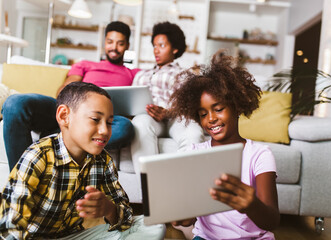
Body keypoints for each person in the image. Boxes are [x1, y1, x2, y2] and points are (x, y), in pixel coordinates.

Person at [0, 82, 165, 239]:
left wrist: (110, 209)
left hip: (72, 236)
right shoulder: (37, 156)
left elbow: (126, 216)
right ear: (64, 116)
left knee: (154, 226)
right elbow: (11, 226)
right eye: (95, 119)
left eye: (109, 123)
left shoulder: (102, 161)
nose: (105, 130)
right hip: (30, 237)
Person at [168, 52, 280, 239]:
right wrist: (182, 217)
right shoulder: (194, 153)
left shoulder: (260, 155)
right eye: (203, 114)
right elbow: (188, 220)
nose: (211, 119)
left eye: (218, 109)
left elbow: (272, 221)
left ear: (236, 106)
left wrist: (251, 205)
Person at [2, 21, 139, 171]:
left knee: (125, 127)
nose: (114, 47)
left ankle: (55, 137)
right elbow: (65, 89)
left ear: (127, 45)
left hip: (99, 119)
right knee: (14, 103)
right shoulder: (85, 65)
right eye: (110, 42)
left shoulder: (133, 74)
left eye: (120, 43)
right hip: (70, 108)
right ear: (104, 42)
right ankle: (21, 180)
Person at [131, 22, 204, 184]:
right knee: (139, 123)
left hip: (174, 117)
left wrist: (168, 112)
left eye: (162, 45)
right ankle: (150, 189)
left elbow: (190, 103)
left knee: (193, 133)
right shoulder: (141, 75)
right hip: (148, 117)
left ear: (175, 48)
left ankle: (183, 188)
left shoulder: (184, 75)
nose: (156, 50)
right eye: (154, 46)